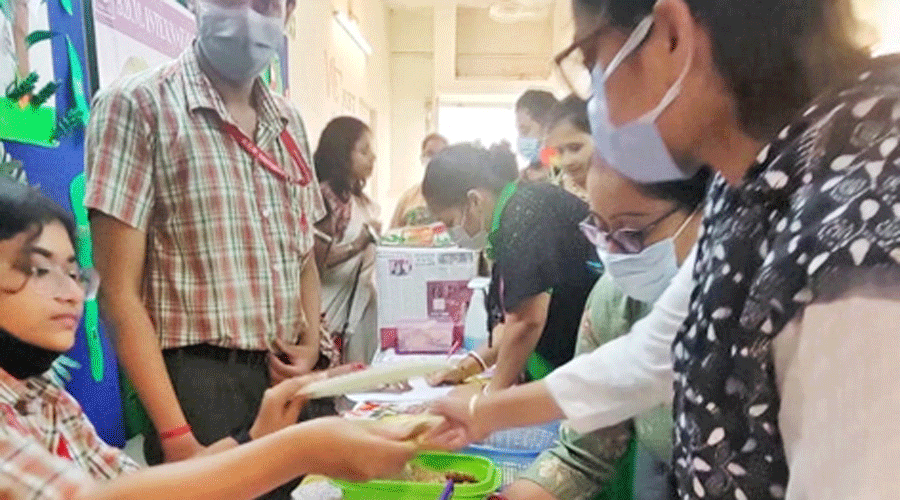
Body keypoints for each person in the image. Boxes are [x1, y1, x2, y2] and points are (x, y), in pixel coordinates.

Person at [433, 0, 900, 497]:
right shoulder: (755, 187)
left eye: (594, 63)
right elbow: (655, 351)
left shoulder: (861, 223)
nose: (596, 102)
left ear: (672, 35)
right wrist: (481, 412)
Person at [0, 178, 419, 500]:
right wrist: (299, 449)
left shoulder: (48, 401)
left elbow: (142, 486)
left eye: (74, 273)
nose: (72, 293)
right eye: (40, 269)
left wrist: (256, 438)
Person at [84, 0, 326, 491]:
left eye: (265, 5)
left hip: (284, 379)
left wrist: (311, 343)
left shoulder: (289, 122)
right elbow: (117, 292)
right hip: (198, 387)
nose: (248, 18)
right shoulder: (136, 105)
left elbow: (303, 256)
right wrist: (176, 435)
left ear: (289, 9)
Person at [507, 164, 707, 500]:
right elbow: (584, 449)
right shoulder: (615, 300)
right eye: (600, 232)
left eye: (631, 233)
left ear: (704, 212)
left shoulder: (758, 305)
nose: (614, 254)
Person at [423, 143, 598, 392]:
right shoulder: (513, 212)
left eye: (450, 222)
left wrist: (490, 401)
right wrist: (466, 367)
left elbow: (527, 322)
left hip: (586, 369)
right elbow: (515, 319)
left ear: (474, 200)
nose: (453, 233)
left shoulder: (524, 216)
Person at [313, 116, 380, 364]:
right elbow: (315, 261)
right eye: (364, 151)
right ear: (342, 154)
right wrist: (358, 244)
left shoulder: (357, 199)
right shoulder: (327, 198)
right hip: (328, 310)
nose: (372, 158)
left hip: (358, 308)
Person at [390, 133, 449, 229]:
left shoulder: (456, 198)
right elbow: (392, 235)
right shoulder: (408, 198)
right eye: (430, 154)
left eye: (440, 154)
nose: (434, 159)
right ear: (422, 158)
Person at [544, 95, 593, 200]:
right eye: (559, 152)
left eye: (575, 148)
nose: (567, 161)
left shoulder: (627, 187)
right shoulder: (558, 196)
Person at [516, 89, 558, 180]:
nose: (521, 138)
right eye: (519, 132)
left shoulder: (571, 178)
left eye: (525, 131)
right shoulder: (522, 178)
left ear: (549, 129)